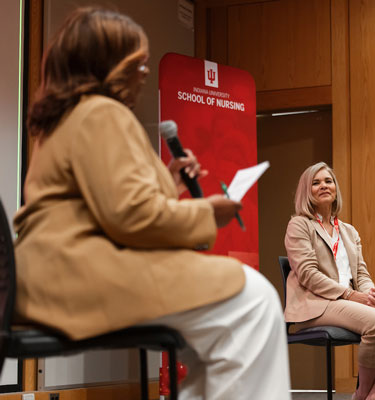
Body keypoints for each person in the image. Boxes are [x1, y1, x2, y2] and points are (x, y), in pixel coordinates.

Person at [14, 8, 290, 400]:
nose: (144, 71)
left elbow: (105, 204)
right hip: (82, 276)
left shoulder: (64, 119)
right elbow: (131, 216)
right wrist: (209, 211)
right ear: (104, 63)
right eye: (136, 61)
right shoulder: (103, 113)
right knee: (255, 300)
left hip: (51, 277)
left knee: (216, 326)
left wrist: (170, 181)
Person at [284, 162, 375, 400]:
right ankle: (361, 395)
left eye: (328, 181)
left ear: (335, 188)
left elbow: (361, 274)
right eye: (316, 182)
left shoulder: (348, 231)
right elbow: (308, 274)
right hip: (315, 304)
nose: (323, 186)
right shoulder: (299, 225)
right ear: (306, 191)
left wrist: (370, 293)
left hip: (349, 300)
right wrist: (351, 295)